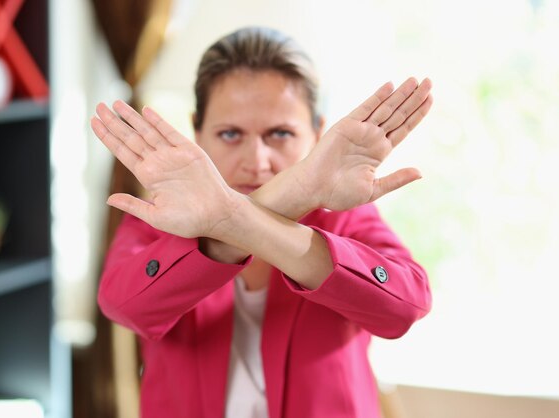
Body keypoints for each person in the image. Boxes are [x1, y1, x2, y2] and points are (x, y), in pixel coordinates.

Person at [91, 26, 433, 418]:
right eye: (231, 133)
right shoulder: (164, 216)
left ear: (317, 132)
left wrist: (234, 220)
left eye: (280, 133)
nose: (257, 160)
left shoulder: (345, 215)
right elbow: (122, 305)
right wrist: (290, 196)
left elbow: (405, 307)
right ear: (198, 131)